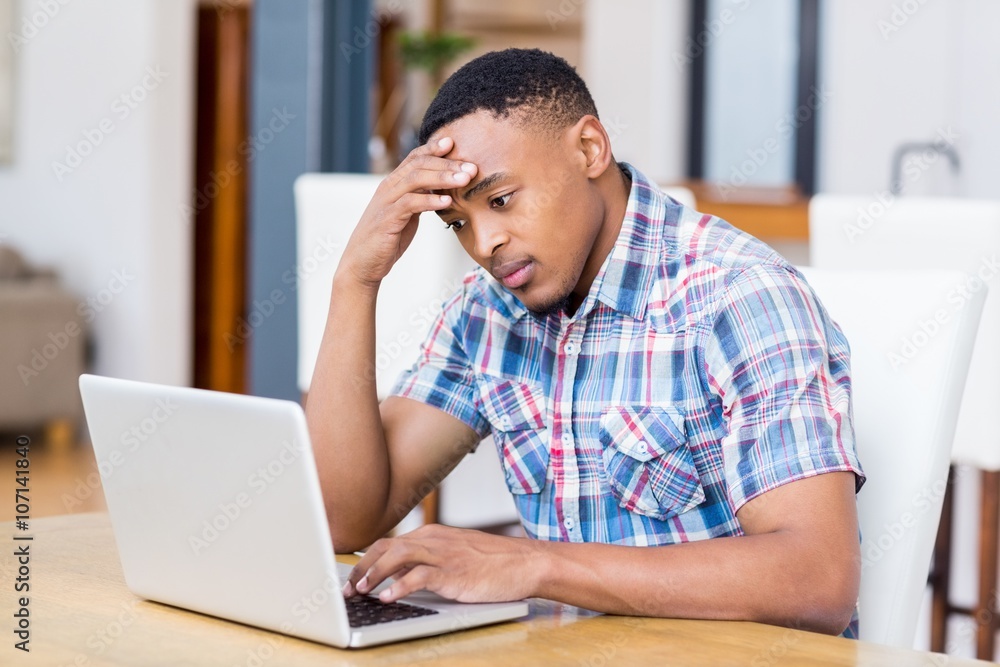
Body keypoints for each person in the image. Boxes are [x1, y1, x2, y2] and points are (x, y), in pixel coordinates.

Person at [306, 48, 865, 637]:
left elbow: (817, 579)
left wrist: (533, 564)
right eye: (459, 223)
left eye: (500, 200)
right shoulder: (488, 310)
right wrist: (355, 281)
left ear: (590, 149)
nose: (486, 242)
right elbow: (345, 520)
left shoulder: (739, 295)